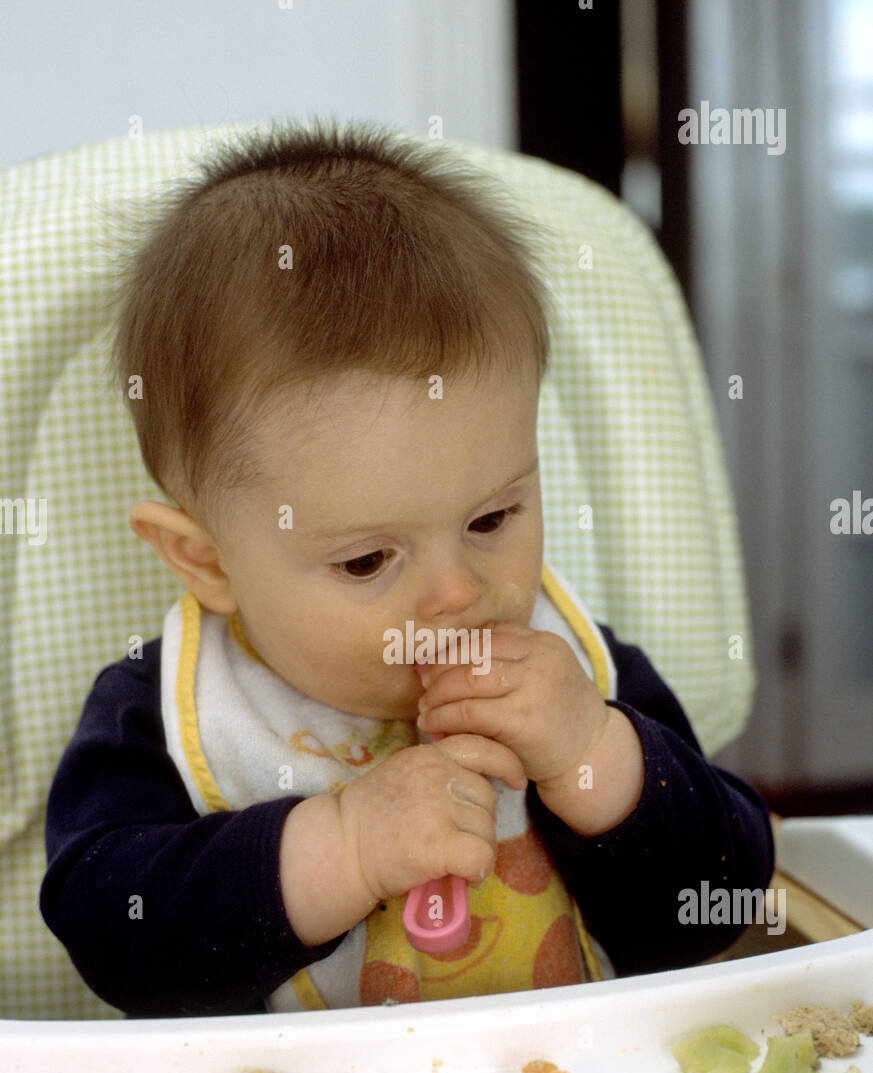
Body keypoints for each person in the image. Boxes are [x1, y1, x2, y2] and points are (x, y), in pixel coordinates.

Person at [39, 119, 773, 1018]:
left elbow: (717, 908)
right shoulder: (165, 712)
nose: (458, 591)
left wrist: (594, 759)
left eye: (492, 517)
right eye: (365, 559)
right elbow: (114, 939)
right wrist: (337, 851)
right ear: (206, 561)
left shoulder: (575, 673)